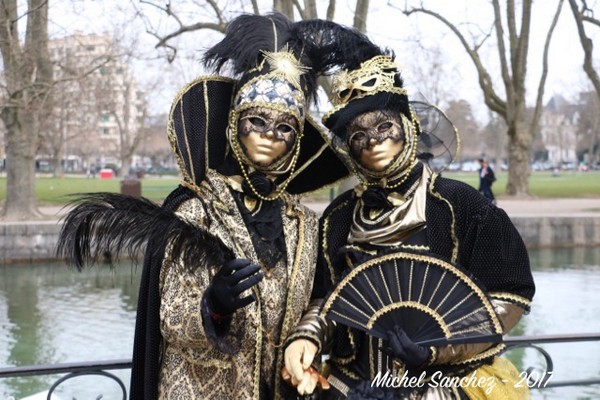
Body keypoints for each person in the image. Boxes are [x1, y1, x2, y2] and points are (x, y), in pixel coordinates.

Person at [57, 14, 348, 399]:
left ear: (296, 140)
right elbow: (171, 319)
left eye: (284, 128)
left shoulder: (305, 224)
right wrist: (213, 307)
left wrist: (305, 339)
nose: (269, 137)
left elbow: (317, 300)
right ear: (235, 124)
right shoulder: (195, 212)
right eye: (256, 121)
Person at [282, 28, 535, 400]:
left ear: (408, 126)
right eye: (358, 136)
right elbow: (328, 296)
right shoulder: (339, 218)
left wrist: (437, 349)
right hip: (351, 387)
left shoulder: (460, 205)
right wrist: (307, 335)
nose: (373, 143)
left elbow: (506, 298)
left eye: (384, 127)